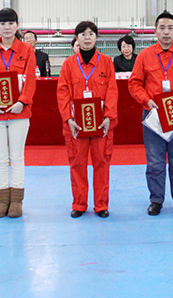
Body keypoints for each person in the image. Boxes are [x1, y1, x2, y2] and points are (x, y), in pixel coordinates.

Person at [128, 11, 173, 216]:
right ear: (155, 31)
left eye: (170, 28)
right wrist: (147, 101)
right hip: (153, 116)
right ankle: (156, 200)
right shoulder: (145, 56)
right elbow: (134, 84)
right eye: (162, 28)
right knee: (155, 161)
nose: (166, 32)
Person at [0, 8, 37, 219]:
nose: (7, 27)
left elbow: (31, 79)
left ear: (17, 25)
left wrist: (22, 101)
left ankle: (17, 201)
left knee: (17, 157)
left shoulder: (26, 50)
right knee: (0, 159)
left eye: (11, 23)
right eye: (2, 23)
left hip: (19, 113)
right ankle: (2, 200)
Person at [56, 21, 118, 218]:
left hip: (101, 124)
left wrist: (108, 116)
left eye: (91, 33)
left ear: (96, 37)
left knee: (102, 163)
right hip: (76, 125)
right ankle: (79, 204)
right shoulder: (68, 64)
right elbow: (62, 93)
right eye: (82, 34)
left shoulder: (106, 62)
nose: (87, 37)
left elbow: (112, 91)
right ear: (77, 38)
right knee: (77, 164)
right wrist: (68, 118)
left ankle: (101, 204)